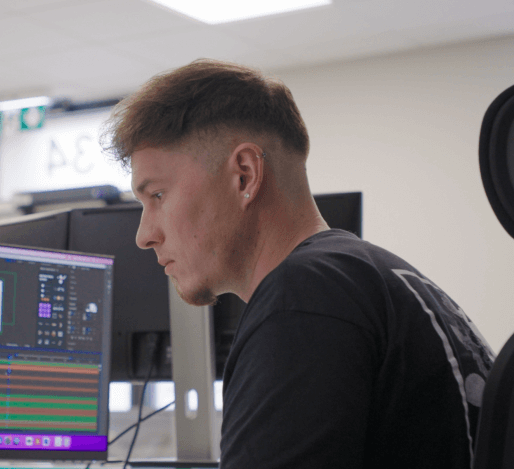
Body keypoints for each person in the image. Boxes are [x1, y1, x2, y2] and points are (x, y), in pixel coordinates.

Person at [102, 59, 495, 468]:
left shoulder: (302, 301)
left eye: (158, 196)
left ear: (245, 175)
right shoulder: (385, 279)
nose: (144, 235)